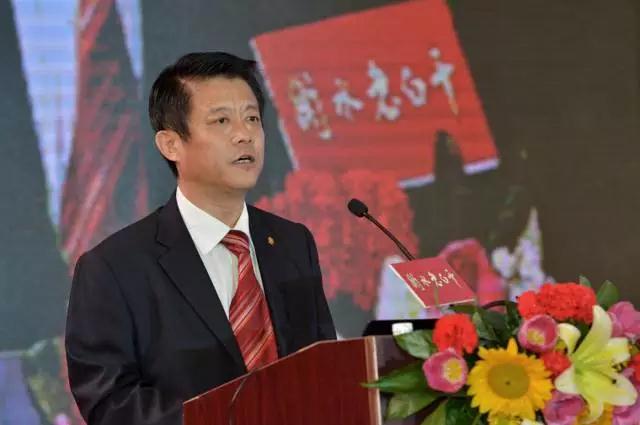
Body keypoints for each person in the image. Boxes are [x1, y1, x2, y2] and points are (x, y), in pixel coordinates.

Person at [65, 52, 336, 425]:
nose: (244, 135)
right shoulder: (113, 268)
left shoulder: (292, 243)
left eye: (252, 118)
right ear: (171, 144)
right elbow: (110, 403)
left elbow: (324, 364)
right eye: (221, 121)